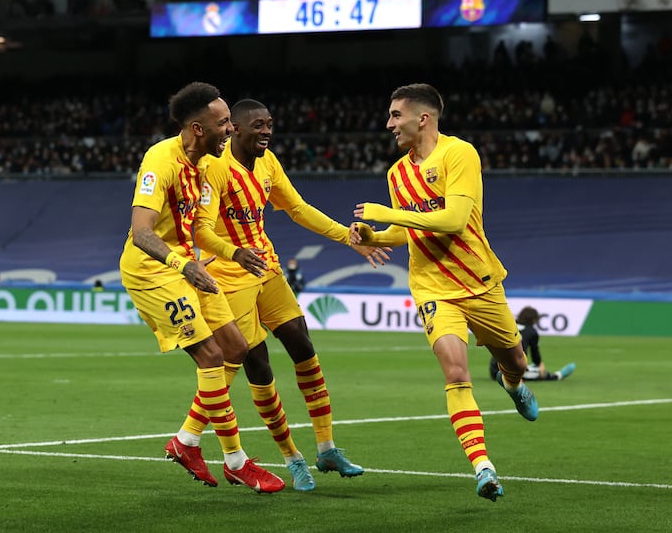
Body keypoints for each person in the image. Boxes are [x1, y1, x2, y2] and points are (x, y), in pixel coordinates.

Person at [350, 83, 538, 502]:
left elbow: (453, 219)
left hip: (479, 281)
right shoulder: (397, 173)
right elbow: (406, 228)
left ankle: (513, 385)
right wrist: (375, 235)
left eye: (395, 115)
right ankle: (483, 467)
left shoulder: (459, 154)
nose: (389, 124)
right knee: (456, 372)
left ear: (423, 118)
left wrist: (385, 213)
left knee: (517, 360)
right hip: (433, 287)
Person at [192, 98, 390, 491]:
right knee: (259, 367)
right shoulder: (213, 169)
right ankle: (292, 458)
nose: (267, 131)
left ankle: (327, 446)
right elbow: (202, 230)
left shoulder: (268, 164)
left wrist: (346, 237)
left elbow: (297, 208)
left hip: (266, 268)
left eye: (270, 124)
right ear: (237, 130)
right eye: (259, 125)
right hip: (229, 278)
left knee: (302, 343)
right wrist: (232, 254)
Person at [118, 82, 285, 493]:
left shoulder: (209, 164)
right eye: (224, 122)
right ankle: (237, 461)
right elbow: (141, 232)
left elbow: (201, 230)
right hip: (152, 271)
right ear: (197, 128)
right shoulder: (161, 160)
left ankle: (187, 442)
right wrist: (182, 263)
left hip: (189, 266)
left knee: (236, 348)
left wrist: (231, 253)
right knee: (211, 356)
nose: (231, 129)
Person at [489, 306, 576, 382]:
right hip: (510, 371)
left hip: (494, 368)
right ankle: (556, 376)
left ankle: (531, 368)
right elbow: (535, 354)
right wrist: (539, 364)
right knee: (538, 373)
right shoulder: (531, 332)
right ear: (534, 320)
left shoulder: (510, 325)